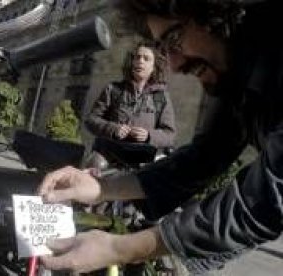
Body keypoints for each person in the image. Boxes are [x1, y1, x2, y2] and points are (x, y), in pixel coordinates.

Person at [37, 0, 283, 274]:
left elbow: (261, 202)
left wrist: (119, 249)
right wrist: (102, 188)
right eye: (165, 48)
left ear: (218, 11)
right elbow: (203, 158)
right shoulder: (232, 74)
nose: (175, 64)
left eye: (174, 38)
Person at [84, 42, 176, 168]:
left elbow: (169, 135)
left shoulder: (161, 97)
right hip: (110, 156)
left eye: (146, 58)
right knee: (95, 164)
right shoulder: (113, 89)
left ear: (153, 67)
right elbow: (91, 120)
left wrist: (149, 135)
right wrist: (113, 128)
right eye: (137, 57)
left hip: (142, 161)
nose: (140, 61)